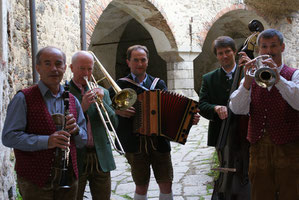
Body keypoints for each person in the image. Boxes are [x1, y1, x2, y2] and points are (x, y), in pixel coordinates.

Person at [109, 45, 200, 200]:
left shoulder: (158, 84)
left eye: (143, 60)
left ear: (147, 61)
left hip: (159, 142)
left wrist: (189, 119)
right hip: (134, 143)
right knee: (141, 184)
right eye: (135, 60)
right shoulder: (119, 86)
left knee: (166, 182)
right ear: (128, 62)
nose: (139, 63)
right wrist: (117, 111)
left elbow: (171, 113)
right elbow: (107, 112)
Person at [2, 46, 87, 200]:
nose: (54, 69)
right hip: (35, 181)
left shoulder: (73, 100)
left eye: (58, 63)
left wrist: (76, 131)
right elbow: (9, 137)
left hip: (68, 179)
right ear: (38, 68)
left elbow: (82, 140)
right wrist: (47, 141)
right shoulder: (23, 98)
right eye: (47, 63)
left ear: (65, 67)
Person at [229, 29, 299, 200]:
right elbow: (237, 108)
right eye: (264, 47)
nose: (269, 51)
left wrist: (279, 79)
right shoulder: (251, 78)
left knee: (291, 194)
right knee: (260, 195)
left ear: (282, 47)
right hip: (258, 150)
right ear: (259, 51)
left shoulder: (294, 74)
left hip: (289, 149)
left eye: (273, 46)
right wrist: (246, 82)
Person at [199, 36, 250, 200]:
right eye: (220, 53)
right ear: (217, 56)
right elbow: (202, 105)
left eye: (228, 51)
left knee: (249, 167)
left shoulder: (248, 73)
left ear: (234, 52)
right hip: (222, 132)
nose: (224, 56)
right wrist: (215, 108)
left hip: (247, 130)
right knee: (226, 166)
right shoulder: (209, 78)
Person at [69, 51, 118, 200]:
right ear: (71, 68)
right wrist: (82, 108)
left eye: (89, 69)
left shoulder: (102, 92)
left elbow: (114, 125)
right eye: (81, 68)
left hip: (101, 156)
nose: (86, 73)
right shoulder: (65, 91)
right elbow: (63, 127)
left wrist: (104, 103)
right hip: (77, 156)